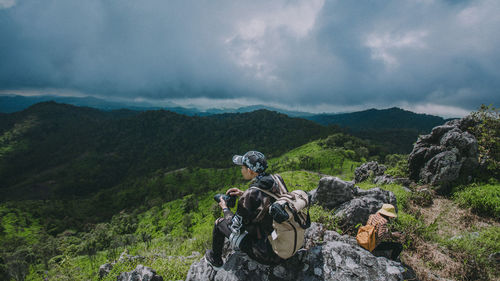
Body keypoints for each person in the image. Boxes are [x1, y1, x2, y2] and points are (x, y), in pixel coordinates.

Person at [204, 150, 285, 268]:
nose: (241, 170)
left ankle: (216, 261)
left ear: (250, 171)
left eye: (242, 167)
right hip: (284, 242)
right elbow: (270, 200)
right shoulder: (277, 179)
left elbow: (235, 227)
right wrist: (243, 194)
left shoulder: (251, 195)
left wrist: (225, 207)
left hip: (268, 253)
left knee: (219, 223)